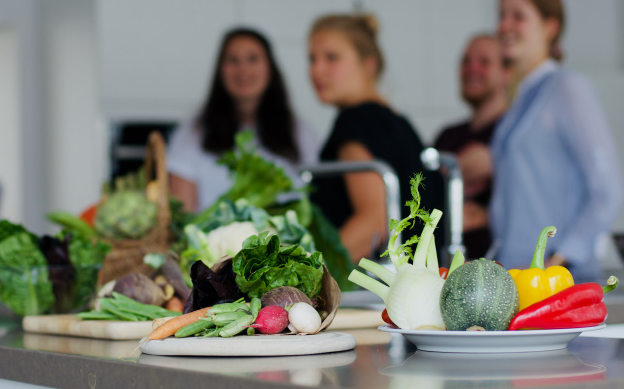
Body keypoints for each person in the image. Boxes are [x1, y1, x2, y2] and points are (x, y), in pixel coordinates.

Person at [490, 0, 624, 281]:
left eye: (518, 16)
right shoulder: (519, 99)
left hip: (559, 281)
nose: (504, 26)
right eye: (501, 16)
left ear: (550, 27)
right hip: (518, 277)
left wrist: (563, 258)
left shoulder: (568, 88)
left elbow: (608, 191)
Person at [308, 14, 442, 263]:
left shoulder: (355, 121)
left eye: (332, 58)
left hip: (375, 291)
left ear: (368, 64)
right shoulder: (399, 124)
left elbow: (374, 221)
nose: (316, 69)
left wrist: (308, 276)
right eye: (312, 59)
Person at [167, 27, 318, 213]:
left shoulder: (300, 132)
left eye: (253, 59)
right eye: (233, 60)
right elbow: (181, 211)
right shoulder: (193, 132)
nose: (243, 69)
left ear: (270, 67)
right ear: (220, 69)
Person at [434, 34, 509, 259]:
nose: (472, 69)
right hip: (447, 270)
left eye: (484, 62)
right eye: (466, 61)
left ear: (507, 72)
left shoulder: (514, 137)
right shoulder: (447, 136)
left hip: (505, 270)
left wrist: (490, 215)